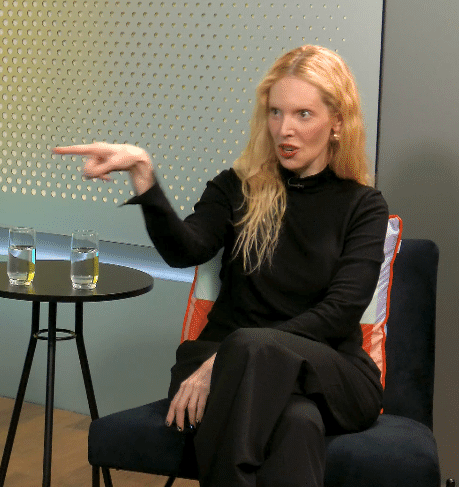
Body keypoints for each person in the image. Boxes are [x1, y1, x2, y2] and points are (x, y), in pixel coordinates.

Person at [54, 45, 387, 486]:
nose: (284, 129)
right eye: (275, 112)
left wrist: (230, 360)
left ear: (338, 123)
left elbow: (340, 312)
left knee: (251, 347)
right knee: (297, 422)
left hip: (327, 369)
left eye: (303, 114)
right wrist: (144, 176)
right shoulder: (236, 188)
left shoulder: (363, 206)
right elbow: (185, 249)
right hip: (224, 358)